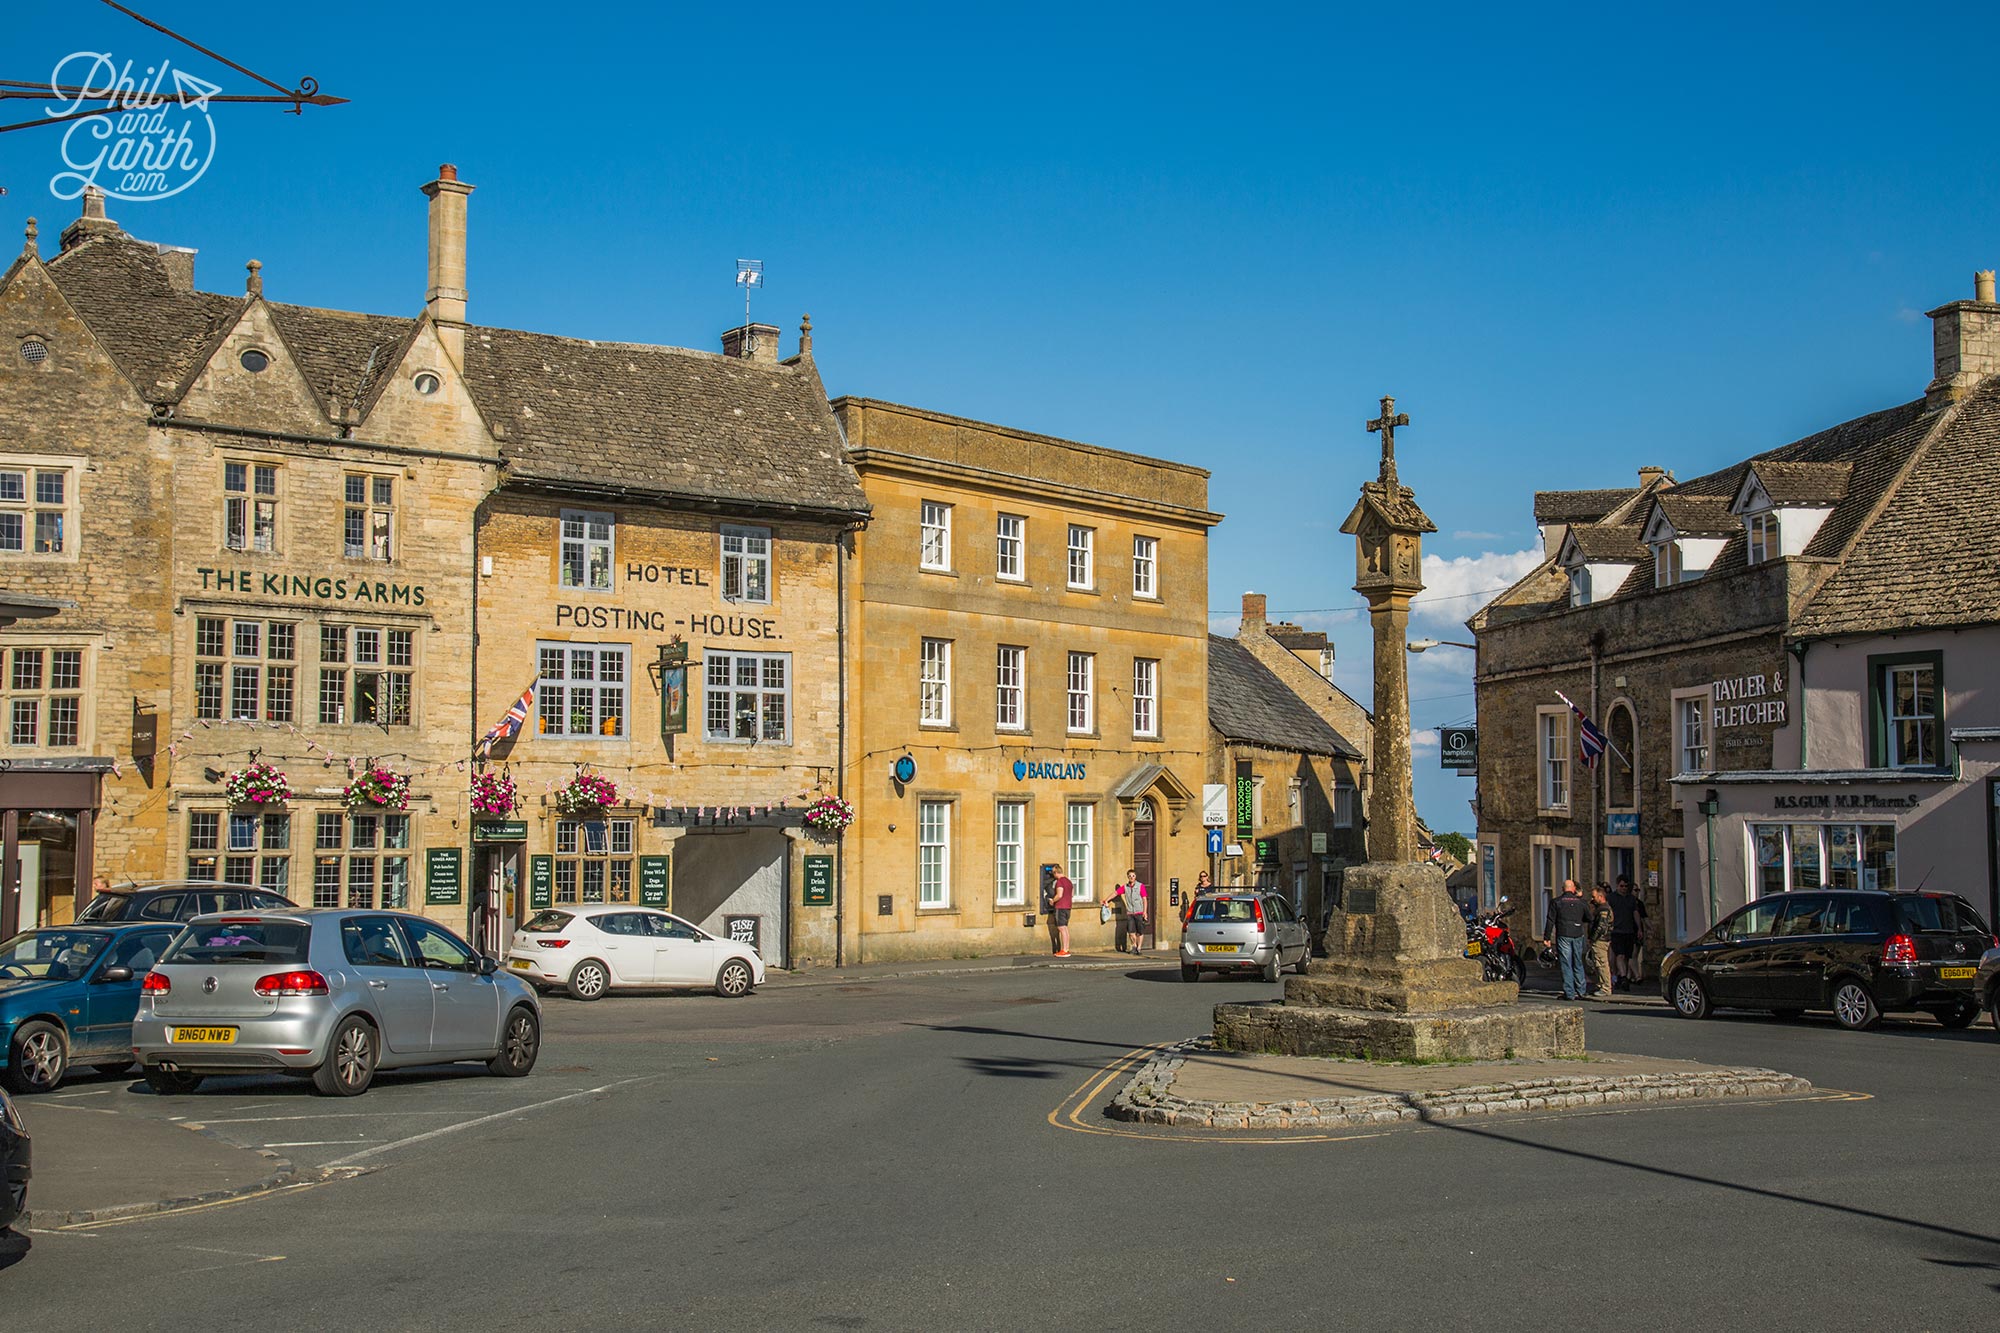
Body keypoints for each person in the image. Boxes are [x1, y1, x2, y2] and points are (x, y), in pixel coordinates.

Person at [1542, 878, 1590, 1000]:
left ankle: (1569, 992)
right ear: (1574, 889)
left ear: (1563, 889)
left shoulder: (1556, 902)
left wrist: (1547, 937)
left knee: (1566, 963)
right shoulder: (1582, 903)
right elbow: (1589, 918)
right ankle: (1581, 991)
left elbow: (1550, 920)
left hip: (1564, 934)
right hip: (1578, 933)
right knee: (1578, 962)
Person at [1609, 876, 1647, 992]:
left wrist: (1639, 929)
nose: (1624, 888)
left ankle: (1622, 976)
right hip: (1616, 931)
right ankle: (1624, 977)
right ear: (1617, 886)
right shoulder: (1611, 898)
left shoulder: (1631, 899)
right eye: (1621, 886)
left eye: (1626, 886)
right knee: (1619, 955)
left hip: (1629, 931)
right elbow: (1608, 913)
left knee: (1626, 956)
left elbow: (1636, 913)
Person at [1588, 883, 1614, 998]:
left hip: (1601, 940)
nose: (1592, 899)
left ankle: (1605, 987)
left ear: (1601, 896)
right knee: (1598, 964)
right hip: (1600, 940)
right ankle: (1600, 985)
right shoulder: (1600, 909)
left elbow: (1601, 926)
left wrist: (1593, 938)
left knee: (1602, 964)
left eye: (1594, 897)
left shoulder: (1604, 909)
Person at [1116, 869, 1149, 954]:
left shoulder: (1140, 886)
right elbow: (1115, 893)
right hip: (1130, 912)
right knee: (1131, 932)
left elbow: (1144, 899)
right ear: (1127, 877)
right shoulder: (1125, 887)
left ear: (1135, 877)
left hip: (1139, 912)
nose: (1131, 877)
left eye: (1133, 876)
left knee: (1140, 932)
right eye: (1130, 876)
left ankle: (1139, 948)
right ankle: (1134, 945)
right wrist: (1106, 900)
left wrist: (1145, 912)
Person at [1048, 862, 1075, 957]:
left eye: (1053, 873)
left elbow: (1059, 895)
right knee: (1065, 928)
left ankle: (1064, 950)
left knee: (1061, 928)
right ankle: (1066, 948)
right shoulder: (1069, 881)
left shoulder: (1060, 882)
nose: (1053, 875)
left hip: (1061, 907)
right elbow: (1072, 894)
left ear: (1055, 872)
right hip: (1068, 907)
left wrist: (1052, 901)